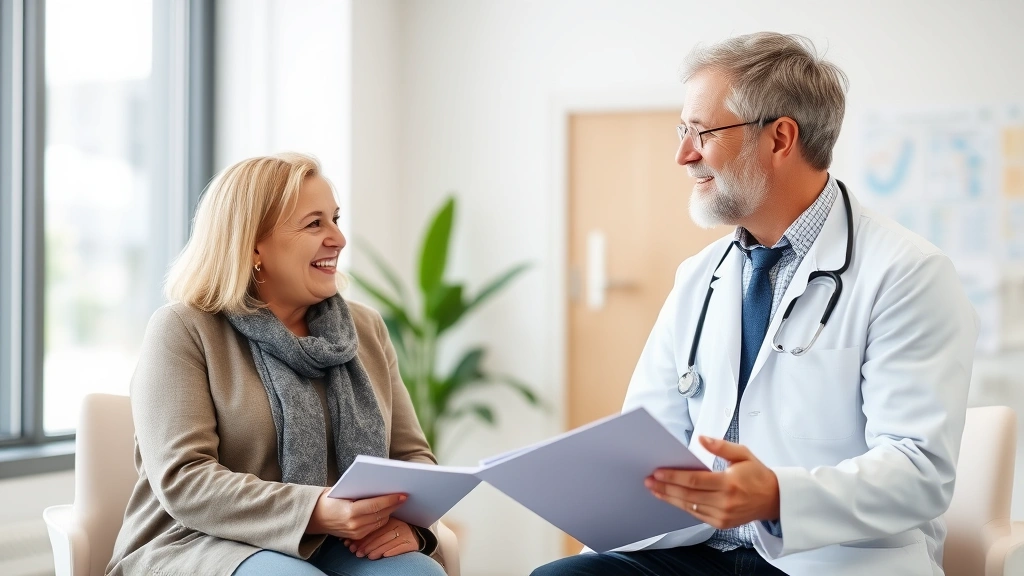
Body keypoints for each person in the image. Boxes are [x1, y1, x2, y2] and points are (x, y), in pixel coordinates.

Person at [532, 32, 977, 576]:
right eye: (682, 131)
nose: (683, 154)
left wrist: (776, 497)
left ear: (780, 138)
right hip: (698, 547)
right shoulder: (699, 277)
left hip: (825, 556)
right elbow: (648, 437)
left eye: (702, 132)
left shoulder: (907, 273)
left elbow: (919, 471)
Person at [107, 153, 448, 576]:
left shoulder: (366, 327)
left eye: (335, 220)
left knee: (419, 574)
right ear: (252, 245)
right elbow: (185, 479)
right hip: (199, 540)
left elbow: (413, 458)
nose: (338, 239)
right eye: (314, 223)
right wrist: (316, 510)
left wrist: (411, 528)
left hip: (336, 542)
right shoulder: (183, 329)